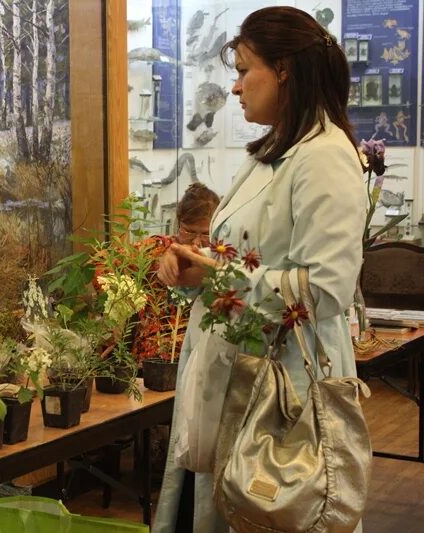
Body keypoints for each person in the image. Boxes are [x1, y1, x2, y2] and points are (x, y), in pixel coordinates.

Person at [153, 7, 364, 532]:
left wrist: (219, 278)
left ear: (286, 69)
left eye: (246, 70)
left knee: (276, 508)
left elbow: (326, 289)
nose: (236, 87)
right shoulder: (272, 153)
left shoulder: (325, 156)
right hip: (241, 374)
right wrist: (188, 266)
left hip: (284, 391)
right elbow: (241, 256)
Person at [131, 183, 219, 362]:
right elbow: (103, 263)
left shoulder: (219, 262)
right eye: (189, 232)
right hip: (150, 360)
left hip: (198, 357)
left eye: (205, 234)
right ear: (178, 224)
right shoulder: (155, 250)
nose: (196, 242)